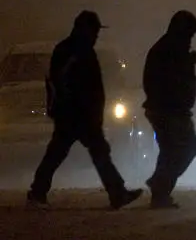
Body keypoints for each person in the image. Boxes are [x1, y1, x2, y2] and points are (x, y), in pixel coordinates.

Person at [27, 11, 143, 209]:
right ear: (85, 29)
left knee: (62, 153)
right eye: (95, 30)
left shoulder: (75, 50)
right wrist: (82, 109)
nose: (97, 35)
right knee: (87, 152)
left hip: (76, 113)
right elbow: (63, 82)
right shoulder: (75, 51)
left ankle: (38, 192)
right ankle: (117, 193)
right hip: (77, 114)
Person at [143, 10, 196, 209]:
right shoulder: (169, 50)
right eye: (190, 34)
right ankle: (160, 187)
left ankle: (160, 187)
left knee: (173, 150)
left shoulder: (169, 49)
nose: (191, 39)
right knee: (181, 148)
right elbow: (169, 80)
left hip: (170, 109)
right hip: (169, 110)